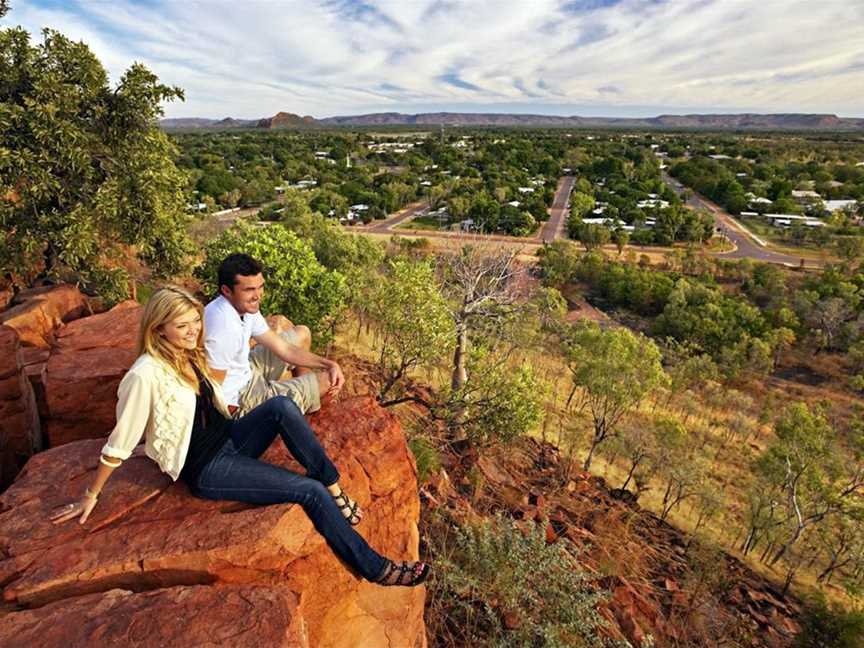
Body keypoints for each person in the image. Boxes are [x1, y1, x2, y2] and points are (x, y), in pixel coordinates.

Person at [49, 286, 429, 588]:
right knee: (305, 491)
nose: (192, 331)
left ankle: (332, 483)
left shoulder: (185, 355)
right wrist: (91, 495)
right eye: (181, 326)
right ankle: (375, 567)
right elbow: (120, 439)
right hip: (208, 467)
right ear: (157, 328)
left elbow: (217, 393)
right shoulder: (144, 374)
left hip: (231, 438)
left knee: (282, 408)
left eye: (193, 323)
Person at [203, 253, 361, 523]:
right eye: (250, 289)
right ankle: (297, 410)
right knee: (326, 381)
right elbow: (212, 388)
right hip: (241, 397)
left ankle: (304, 407)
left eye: (260, 286)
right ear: (226, 291)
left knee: (301, 333)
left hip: (247, 369)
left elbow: (284, 348)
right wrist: (238, 416)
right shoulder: (221, 325)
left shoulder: (245, 309)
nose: (258, 295)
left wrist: (328, 362)